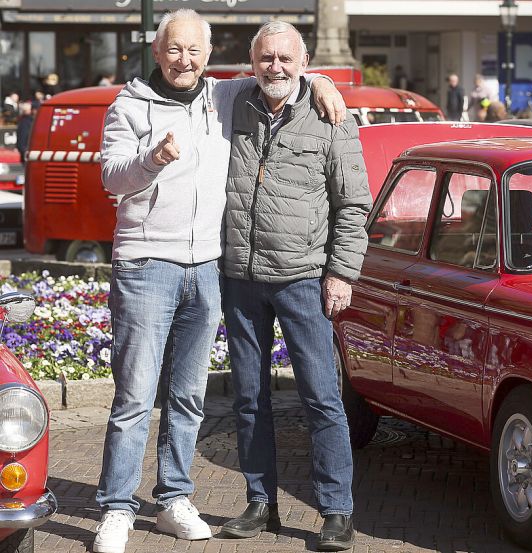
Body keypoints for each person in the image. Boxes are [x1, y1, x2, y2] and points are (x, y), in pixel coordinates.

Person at [93, 10, 345, 553]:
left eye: (194, 51)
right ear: (157, 53)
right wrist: (151, 159)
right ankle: (116, 507)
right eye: (174, 50)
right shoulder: (129, 104)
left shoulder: (223, 97)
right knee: (135, 396)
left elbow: (283, 73)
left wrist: (321, 80)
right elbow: (111, 176)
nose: (184, 60)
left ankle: (174, 499)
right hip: (146, 265)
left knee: (188, 396)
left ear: (209, 56)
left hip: (208, 267)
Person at [218, 21, 371, 552]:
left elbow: (354, 205)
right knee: (249, 397)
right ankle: (260, 502)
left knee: (322, 397)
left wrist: (342, 273)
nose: (275, 68)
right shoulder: (233, 106)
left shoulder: (330, 117)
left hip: (305, 279)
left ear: (304, 63)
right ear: (251, 63)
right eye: (266, 59)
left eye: (285, 58)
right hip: (241, 279)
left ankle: (336, 510)